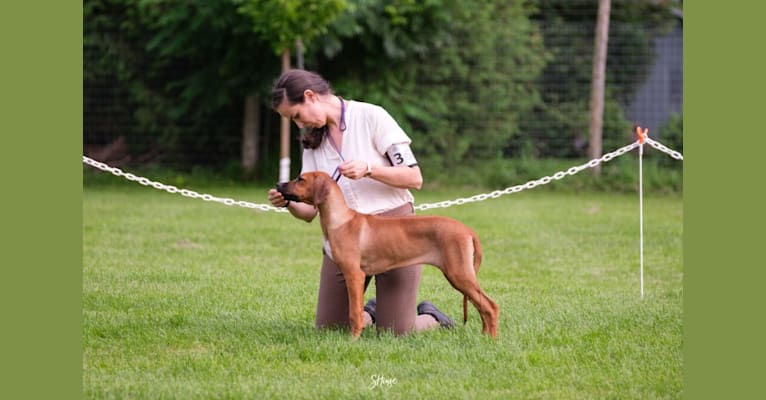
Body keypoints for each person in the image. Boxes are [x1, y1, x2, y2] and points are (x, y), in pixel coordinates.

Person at [267, 69, 453, 336]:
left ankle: (430, 316)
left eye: (296, 115)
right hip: (345, 238)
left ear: (310, 96)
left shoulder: (372, 116)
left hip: (394, 232)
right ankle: (372, 311)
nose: (298, 124)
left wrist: (369, 169)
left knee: (396, 332)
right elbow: (309, 212)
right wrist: (288, 202)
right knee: (330, 329)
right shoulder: (312, 142)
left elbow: (414, 177)